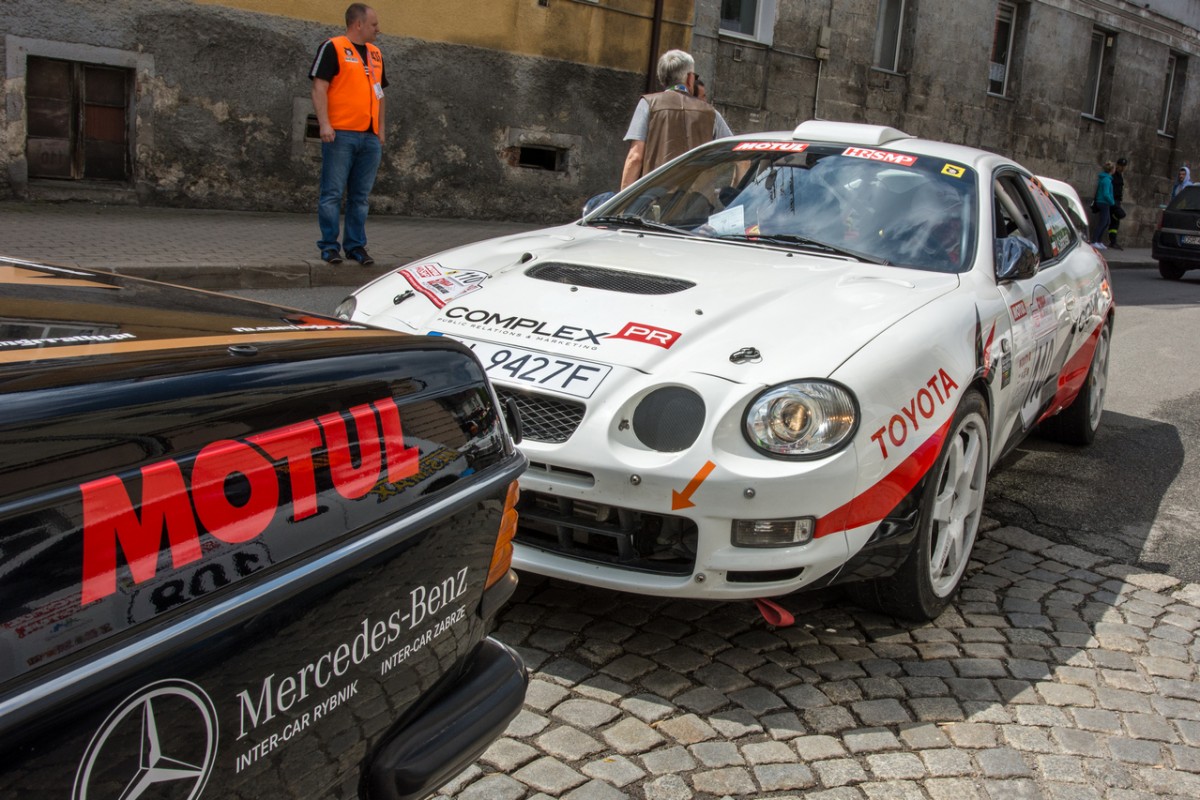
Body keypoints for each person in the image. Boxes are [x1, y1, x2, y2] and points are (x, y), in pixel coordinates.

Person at [309, 3, 387, 266]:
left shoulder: (376, 54)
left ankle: (355, 246)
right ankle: (330, 246)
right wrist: (324, 124)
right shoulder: (333, 47)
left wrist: (380, 130)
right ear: (358, 24)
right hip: (341, 133)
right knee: (331, 193)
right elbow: (319, 87)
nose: (378, 29)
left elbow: (380, 94)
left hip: (369, 136)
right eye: (374, 24)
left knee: (360, 197)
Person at [620, 50, 732, 189]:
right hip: (699, 204)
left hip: (655, 200)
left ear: (662, 78)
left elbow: (635, 157)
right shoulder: (711, 113)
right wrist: (736, 194)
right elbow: (740, 158)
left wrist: (623, 205)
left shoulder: (648, 104)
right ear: (690, 78)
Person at [1092, 161, 1114, 250]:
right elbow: (1106, 193)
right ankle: (1094, 241)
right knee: (1103, 222)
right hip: (1104, 202)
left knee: (1106, 222)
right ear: (1112, 170)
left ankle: (1099, 241)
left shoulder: (1105, 179)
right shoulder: (1107, 180)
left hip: (1103, 202)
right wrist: (1112, 202)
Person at [1107, 157, 1128, 249]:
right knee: (1118, 217)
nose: (1122, 168)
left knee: (1115, 222)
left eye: (1124, 166)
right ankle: (1112, 241)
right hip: (1113, 201)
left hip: (1117, 201)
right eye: (1121, 166)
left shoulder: (1120, 176)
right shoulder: (1113, 175)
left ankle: (1113, 241)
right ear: (1117, 165)